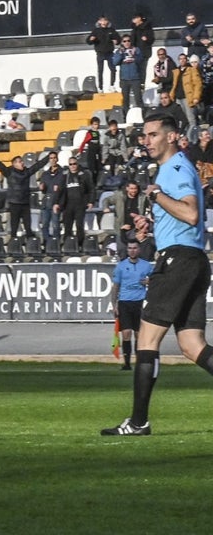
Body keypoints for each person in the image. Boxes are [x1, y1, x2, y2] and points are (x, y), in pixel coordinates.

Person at [102, 112, 210, 436]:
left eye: (152, 135)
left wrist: (156, 196)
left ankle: (138, 422)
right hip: (191, 260)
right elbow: (184, 216)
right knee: (193, 346)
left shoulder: (174, 167)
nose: (145, 141)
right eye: (144, 136)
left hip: (177, 261)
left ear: (172, 136)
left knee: (147, 340)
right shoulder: (176, 168)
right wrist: (154, 223)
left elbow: (191, 213)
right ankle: (138, 421)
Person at [0, 151, 52, 238]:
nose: (22, 163)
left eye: (22, 161)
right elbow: (0, 166)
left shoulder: (27, 172)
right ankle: (13, 244)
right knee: (14, 228)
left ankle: (30, 244)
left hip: (25, 203)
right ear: (14, 164)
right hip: (14, 203)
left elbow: (38, 165)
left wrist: (48, 157)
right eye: (20, 161)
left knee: (28, 227)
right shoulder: (9, 172)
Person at [110, 241, 154, 371]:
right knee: (126, 333)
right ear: (127, 250)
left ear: (139, 250)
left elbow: (158, 280)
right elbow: (115, 287)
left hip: (140, 302)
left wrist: (149, 281)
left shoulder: (146, 265)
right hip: (124, 302)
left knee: (139, 334)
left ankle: (139, 362)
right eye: (130, 248)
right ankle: (127, 363)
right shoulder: (121, 266)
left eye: (135, 248)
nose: (132, 250)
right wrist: (114, 305)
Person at [57, 157, 95, 246]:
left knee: (79, 226)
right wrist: (57, 203)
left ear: (77, 164)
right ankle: (68, 245)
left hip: (80, 204)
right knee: (67, 226)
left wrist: (91, 201)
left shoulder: (84, 175)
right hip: (68, 205)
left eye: (74, 164)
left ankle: (80, 245)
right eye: (71, 164)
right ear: (68, 165)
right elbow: (60, 191)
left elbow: (91, 189)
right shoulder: (65, 176)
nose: (73, 166)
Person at [169, 53, 203, 134]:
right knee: (182, 119)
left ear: (186, 60)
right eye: (180, 59)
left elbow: (198, 84)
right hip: (178, 97)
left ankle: (193, 136)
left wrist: (196, 97)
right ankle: (185, 136)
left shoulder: (191, 70)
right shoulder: (176, 71)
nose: (182, 60)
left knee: (191, 118)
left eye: (184, 58)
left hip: (188, 97)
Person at [86, 16, 120, 93]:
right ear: (99, 22)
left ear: (107, 22)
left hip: (109, 52)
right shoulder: (96, 31)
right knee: (100, 71)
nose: (104, 22)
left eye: (105, 20)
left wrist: (116, 41)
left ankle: (112, 85)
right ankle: (100, 87)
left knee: (113, 69)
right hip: (100, 53)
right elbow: (88, 41)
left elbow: (118, 39)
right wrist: (91, 39)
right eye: (102, 21)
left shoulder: (111, 30)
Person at [37, 151, 66, 241]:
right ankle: (47, 243)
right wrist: (42, 188)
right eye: (51, 158)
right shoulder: (45, 174)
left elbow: (64, 188)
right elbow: (44, 189)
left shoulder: (63, 172)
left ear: (57, 159)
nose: (53, 160)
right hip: (46, 202)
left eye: (54, 158)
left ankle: (56, 243)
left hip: (56, 201)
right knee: (45, 224)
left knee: (55, 224)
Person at [110, 35, 143, 110]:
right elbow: (115, 62)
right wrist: (121, 54)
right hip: (124, 79)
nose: (127, 43)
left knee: (138, 99)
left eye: (128, 40)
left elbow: (141, 60)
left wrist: (134, 56)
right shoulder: (119, 51)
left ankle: (142, 116)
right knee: (125, 100)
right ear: (122, 42)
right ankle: (126, 117)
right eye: (124, 41)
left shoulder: (136, 49)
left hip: (135, 79)